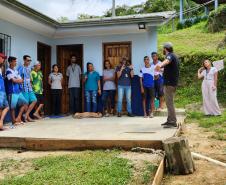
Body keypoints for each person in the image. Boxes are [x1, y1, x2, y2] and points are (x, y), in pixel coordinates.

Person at [155, 42, 179, 128]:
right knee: (169, 103)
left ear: (166, 49)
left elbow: (167, 60)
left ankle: (172, 121)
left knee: (169, 103)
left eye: (163, 49)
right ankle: (170, 120)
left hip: (169, 84)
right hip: (171, 83)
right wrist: (161, 70)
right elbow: (169, 69)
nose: (163, 50)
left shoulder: (170, 55)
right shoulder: (174, 56)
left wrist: (160, 65)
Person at [5, 56, 28, 125]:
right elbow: (13, 80)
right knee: (12, 107)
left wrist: (17, 80)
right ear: (10, 62)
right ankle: (13, 121)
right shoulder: (8, 71)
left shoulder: (16, 71)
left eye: (16, 61)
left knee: (25, 103)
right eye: (14, 61)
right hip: (12, 91)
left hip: (18, 91)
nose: (15, 63)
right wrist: (17, 80)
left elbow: (21, 80)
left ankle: (18, 117)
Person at [17, 55, 37, 122]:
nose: (29, 62)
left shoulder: (29, 68)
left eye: (30, 60)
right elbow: (18, 78)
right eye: (28, 60)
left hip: (29, 88)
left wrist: (31, 84)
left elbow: (29, 78)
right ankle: (27, 117)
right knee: (26, 103)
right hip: (23, 88)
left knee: (34, 100)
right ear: (24, 60)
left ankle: (26, 115)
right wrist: (20, 87)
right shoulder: (20, 68)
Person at [0, 53, 9, 130]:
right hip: (0, 90)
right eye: (2, 58)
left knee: (6, 106)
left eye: (4, 58)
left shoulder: (1, 67)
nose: (3, 59)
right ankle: (1, 123)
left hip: (3, 90)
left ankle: (1, 122)